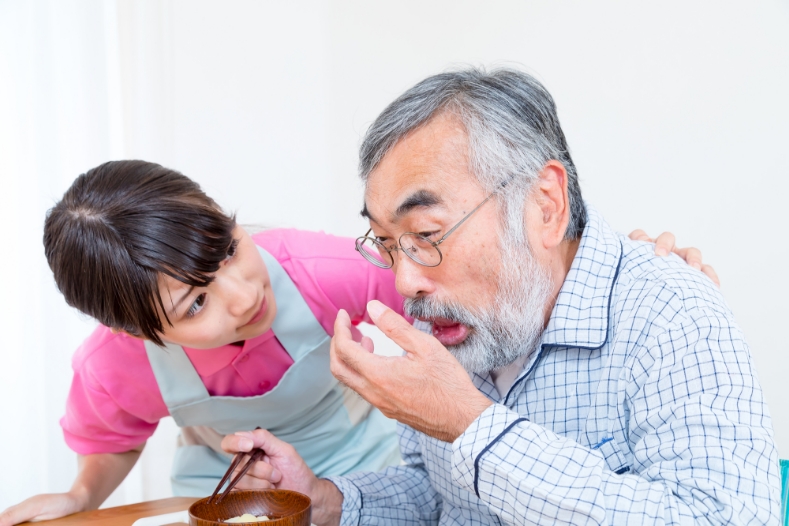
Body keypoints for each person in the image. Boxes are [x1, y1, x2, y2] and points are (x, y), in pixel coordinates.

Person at [220, 68, 779, 525]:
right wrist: (323, 499)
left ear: (545, 204)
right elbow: (437, 494)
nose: (405, 281)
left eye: (427, 235)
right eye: (388, 244)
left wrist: (469, 424)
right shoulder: (446, 321)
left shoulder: (672, 312)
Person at [0, 160, 407, 525]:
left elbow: (446, 311)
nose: (246, 297)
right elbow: (109, 441)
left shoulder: (319, 270)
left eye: (229, 249)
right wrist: (82, 495)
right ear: (137, 333)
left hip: (364, 471)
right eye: (195, 304)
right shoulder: (113, 364)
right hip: (221, 493)